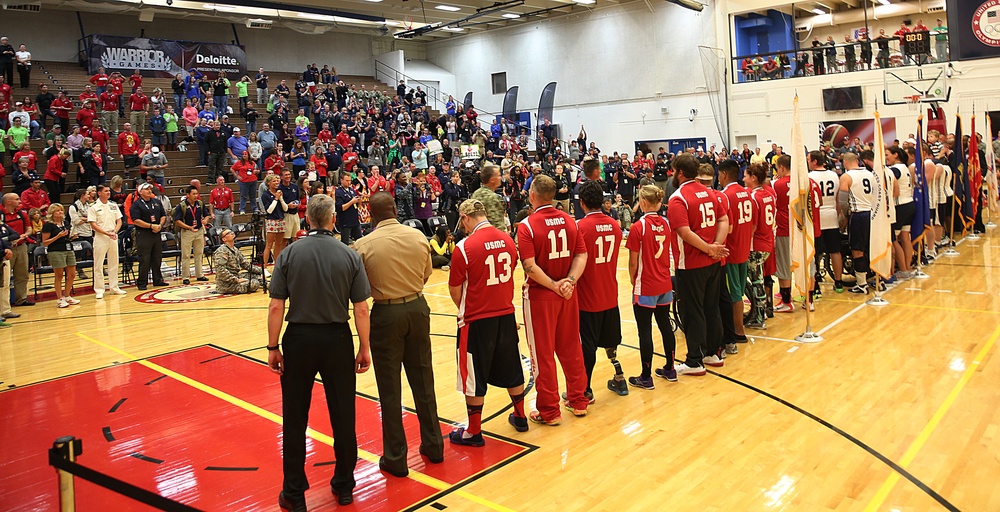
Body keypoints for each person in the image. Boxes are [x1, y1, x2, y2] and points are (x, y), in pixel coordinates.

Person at [267, 194, 371, 510]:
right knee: (343, 415)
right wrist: (364, 348)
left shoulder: (289, 253)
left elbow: (275, 306)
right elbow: (362, 309)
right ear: (332, 220)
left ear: (309, 220)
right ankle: (344, 485)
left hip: (298, 339)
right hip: (338, 338)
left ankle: (294, 493)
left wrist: (273, 347)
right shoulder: (349, 254)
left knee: (295, 417)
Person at [354, 191, 444, 478]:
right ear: (395, 209)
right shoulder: (418, 236)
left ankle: (396, 457)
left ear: (371, 213)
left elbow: (360, 289)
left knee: (390, 389)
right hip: (418, 308)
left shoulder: (362, 245)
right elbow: (426, 273)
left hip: (386, 313)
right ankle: (434, 446)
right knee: (424, 381)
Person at [447, 198, 528, 445]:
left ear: (465, 218)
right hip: (505, 314)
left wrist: (464, 309)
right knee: (512, 366)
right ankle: (521, 416)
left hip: (477, 320)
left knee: (473, 375)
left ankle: (473, 431)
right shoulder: (507, 240)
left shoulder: (464, 246)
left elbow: (454, 288)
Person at [517, 174, 590, 424]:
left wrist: (554, 285)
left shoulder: (526, 225)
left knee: (542, 354)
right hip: (569, 294)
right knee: (571, 347)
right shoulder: (571, 221)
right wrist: (568, 282)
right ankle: (578, 400)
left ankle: (549, 411)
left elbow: (529, 266)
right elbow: (582, 255)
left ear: (532, 195)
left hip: (541, 296)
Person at [667, 154, 730, 376]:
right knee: (711, 307)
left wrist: (709, 247)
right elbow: (724, 220)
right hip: (713, 261)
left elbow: (684, 232)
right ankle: (712, 352)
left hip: (692, 262)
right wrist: (716, 245)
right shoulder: (710, 193)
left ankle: (694, 360)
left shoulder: (678, 198)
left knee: (692, 311)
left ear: (680, 172)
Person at [575, 180, 628, 397]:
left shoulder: (580, 227)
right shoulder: (614, 225)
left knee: (586, 346)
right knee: (610, 340)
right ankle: (619, 377)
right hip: (609, 291)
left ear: (582, 202)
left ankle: (584, 389)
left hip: (587, 295)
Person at [622, 184, 676, 389]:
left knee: (644, 330)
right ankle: (670, 368)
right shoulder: (666, 223)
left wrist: (632, 279)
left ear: (643, 203)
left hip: (646, 285)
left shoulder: (639, 227)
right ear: (660, 202)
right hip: (664, 283)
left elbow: (633, 262)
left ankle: (646, 376)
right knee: (665, 326)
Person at [718, 160, 754, 350]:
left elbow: (727, 227)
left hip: (730, 250)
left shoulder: (725, 196)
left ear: (723, 174)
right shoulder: (747, 193)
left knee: (734, 294)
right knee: (738, 290)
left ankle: (738, 331)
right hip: (744, 247)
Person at [840, 152, 877, 294]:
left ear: (845, 162)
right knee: (870, 248)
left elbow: (843, 202)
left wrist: (844, 217)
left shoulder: (847, 176)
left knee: (857, 250)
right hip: (872, 213)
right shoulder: (870, 174)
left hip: (859, 214)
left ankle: (861, 284)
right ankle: (874, 279)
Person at [808, 150, 844, 292]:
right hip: (831, 215)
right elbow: (837, 198)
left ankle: (815, 285)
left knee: (815, 252)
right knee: (835, 251)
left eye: (809, 159)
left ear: (814, 161)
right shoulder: (834, 175)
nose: (808, 162)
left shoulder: (809, 177)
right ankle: (839, 281)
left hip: (817, 217)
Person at [88, 184, 126, 299]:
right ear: (99, 193)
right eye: (106, 191)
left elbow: (119, 221)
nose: (108, 193)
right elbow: (93, 224)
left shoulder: (113, 205)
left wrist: (114, 231)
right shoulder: (93, 206)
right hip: (100, 237)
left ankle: (114, 287)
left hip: (113, 235)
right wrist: (106, 233)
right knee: (98, 264)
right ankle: (99, 289)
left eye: (109, 191)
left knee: (114, 262)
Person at [128, 183, 168, 290]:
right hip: (144, 234)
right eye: (146, 189)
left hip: (156, 232)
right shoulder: (136, 205)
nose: (150, 191)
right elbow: (136, 220)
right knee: (145, 259)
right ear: (140, 192)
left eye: (150, 189)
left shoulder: (156, 202)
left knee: (157, 257)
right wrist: (151, 226)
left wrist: (159, 225)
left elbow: (163, 215)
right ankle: (142, 282)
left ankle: (158, 280)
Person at [41, 204, 80, 308]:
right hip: (56, 251)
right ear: (52, 213)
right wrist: (58, 236)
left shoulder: (65, 223)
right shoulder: (48, 225)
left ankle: (67, 295)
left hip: (68, 249)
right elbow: (44, 242)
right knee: (59, 276)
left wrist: (71, 237)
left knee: (71, 274)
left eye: (61, 210)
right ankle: (59, 298)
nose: (60, 212)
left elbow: (65, 237)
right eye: (57, 211)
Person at [1, 192, 33, 306]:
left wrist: (23, 236)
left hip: (21, 246)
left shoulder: (22, 213)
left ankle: (22, 299)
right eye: (17, 199)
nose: (20, 201)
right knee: (5, 276)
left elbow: (29, 229)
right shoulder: (1, 215)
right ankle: (5, 303)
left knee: (23, 274)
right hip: (7, 249)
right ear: (8, 201)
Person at [173, 185, 210, 285]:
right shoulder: (182, 206)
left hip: (199, 231)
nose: (195, 196)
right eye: (193, 194)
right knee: (186, 255)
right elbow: (177, 220)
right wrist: (188, 227)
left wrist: (205, 221)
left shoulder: (200, 204)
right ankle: (185, 276)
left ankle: (200, 274)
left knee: (199, 253)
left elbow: (207, 215)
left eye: (196, 193)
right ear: (187, 195)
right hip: (187, 232)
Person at [213, 227, 263, 294]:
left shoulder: (235, 249)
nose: (232, 233)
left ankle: (270, 286)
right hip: (227, 284)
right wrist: (237, 280)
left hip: (236, 276)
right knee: (254, 283)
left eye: (231, 231)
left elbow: (245, 264)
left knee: (256, 276)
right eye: (228, 233)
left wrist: (262, 270)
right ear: (224, 239)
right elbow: (220, 270)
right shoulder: (221, 251)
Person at [470, 163, 507, 231]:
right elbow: (496, 223)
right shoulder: (492, 197)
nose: (500, 177)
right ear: (492, 179)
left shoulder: (476, 193)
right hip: (492, 236)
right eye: (499, 175)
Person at [261, 174, 288, 265]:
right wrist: (276, 199)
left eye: (277, 181)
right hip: (272, 221)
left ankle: (277, 264)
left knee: (279, 244)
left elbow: (285, 209)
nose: (277, 183)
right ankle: (264, 266)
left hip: (281, 219)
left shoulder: (279, 193)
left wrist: (280, 199)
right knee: (269, 245)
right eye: (274, 181)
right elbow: (269, 210)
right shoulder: (265, 195)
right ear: (269, 183)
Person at [334, 172, 362, 245]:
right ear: (341, 180)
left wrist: (359, 201)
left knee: (360, 240)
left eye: (350, 180)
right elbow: (341, 208)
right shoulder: (338, 192)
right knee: (345, 243)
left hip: (354, 220)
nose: (349, 182)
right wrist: (352, 202)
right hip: (345, 221)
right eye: (347, 181)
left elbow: (357, 205)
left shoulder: (352, 190)